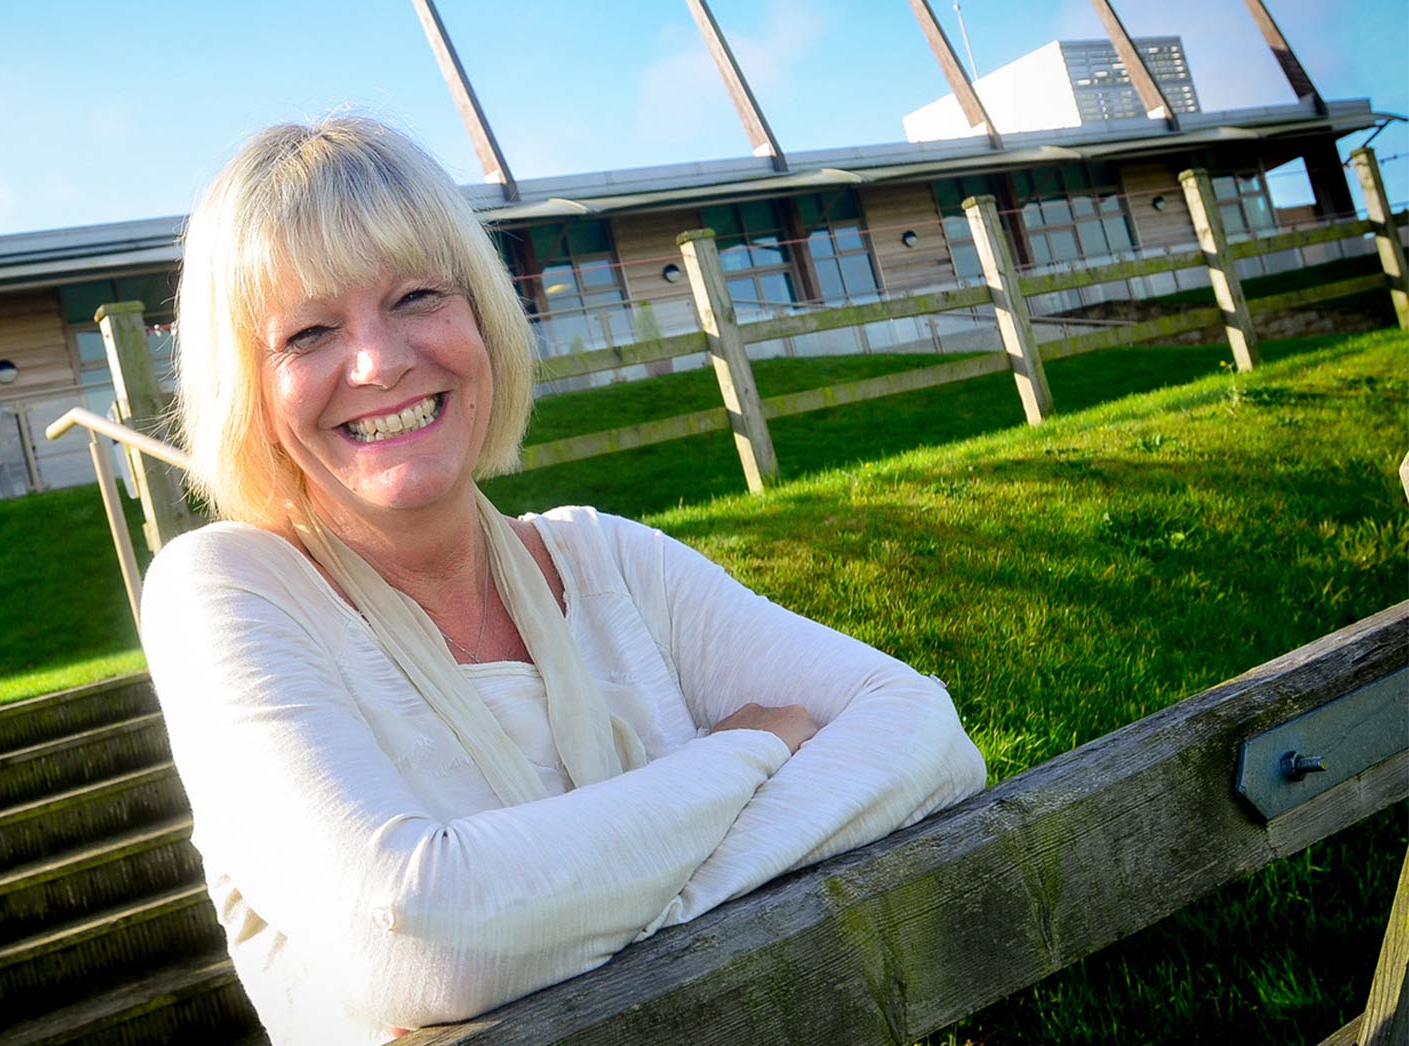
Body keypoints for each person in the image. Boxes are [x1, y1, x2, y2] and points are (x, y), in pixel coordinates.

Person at [141, 117, 987, 1045]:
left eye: (418, 296)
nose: (380, 362)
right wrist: (742, 755)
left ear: (484, 318)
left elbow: (922, 734)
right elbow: (416, 937)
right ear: (246, 390)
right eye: (308, 332)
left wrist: (580, 921)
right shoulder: (223, 593)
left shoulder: (610, 559)